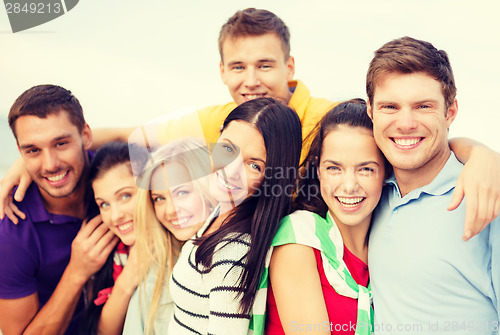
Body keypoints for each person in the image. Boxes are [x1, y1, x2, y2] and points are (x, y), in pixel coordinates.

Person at [2, 8, 499, 238]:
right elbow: (128, 135)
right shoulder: (220, 120)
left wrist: (480, 155)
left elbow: (405, 137)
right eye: (238, 67)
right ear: (221, 72)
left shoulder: (329, 116)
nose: (252, 80)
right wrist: (41, 160)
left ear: (291, 68)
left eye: (265, 65)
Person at [366, 37, 500, 334]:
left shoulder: (487, 194)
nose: (405, 123)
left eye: (423, 106)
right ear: (371, 112)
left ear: (450, 111)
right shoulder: (370, 194)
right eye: (390, 106)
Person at [249, 99, 387, 335]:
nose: (349, 186)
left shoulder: (388, 241)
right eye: (334, 168)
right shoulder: (299, 237)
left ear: (387, 171)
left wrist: (472, 152)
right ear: (318, 171)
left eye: (366, 169)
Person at [168, 97, 302, 334]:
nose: (230, 171)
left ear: (272, 175)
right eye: (228, 149)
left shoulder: (232, 251)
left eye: (254, 165)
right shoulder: (221, 214)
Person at [0, 85, 118, 335]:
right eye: (33, 150)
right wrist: (77, 272)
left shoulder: (117, 177)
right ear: (21, 152)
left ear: (86, 136)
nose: (50, 164)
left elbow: (204, 150)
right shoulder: (10, 231)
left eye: (61, 143)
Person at [122, 138, 216, 335]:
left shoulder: (239, 251)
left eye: (182, 192)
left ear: (207, 189)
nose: (170, 210)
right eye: (159, 199)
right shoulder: (158, 269)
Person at [79, 141, 147, 335]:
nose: (115, 216)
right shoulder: (115, 254)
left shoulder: (180, 240)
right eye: (104, 204)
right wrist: (128, 279)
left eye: (125, 196)